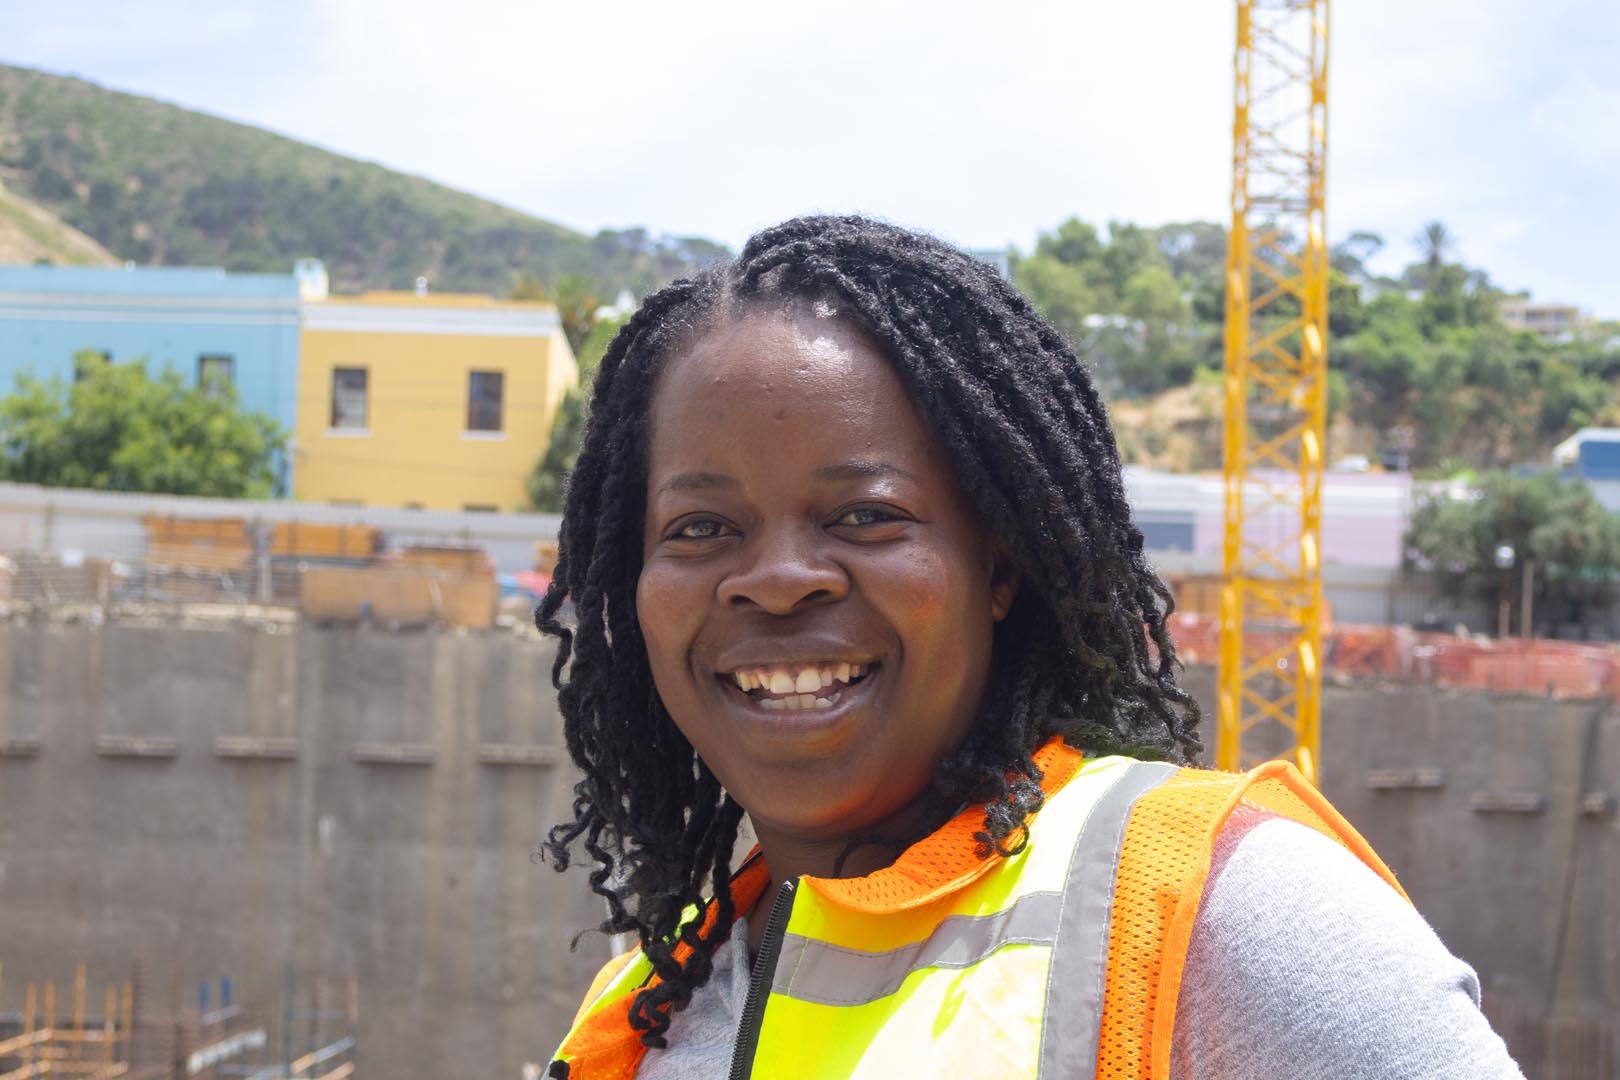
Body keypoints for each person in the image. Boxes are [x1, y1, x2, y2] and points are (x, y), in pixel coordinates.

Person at [536, 216, 1524, 1078]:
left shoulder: (1218, 913)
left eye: (866, 514)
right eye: (701, 529)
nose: (780, 576)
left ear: (999, 567)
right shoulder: (645, 1008)